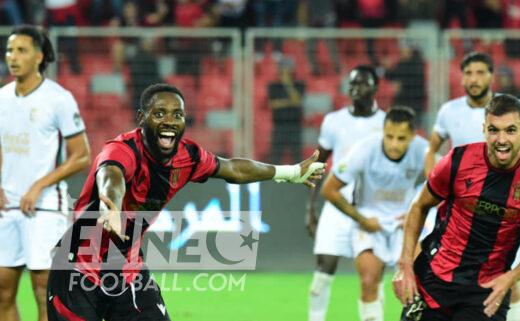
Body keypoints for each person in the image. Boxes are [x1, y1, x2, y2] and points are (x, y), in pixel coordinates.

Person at [46, 82, 325, 321]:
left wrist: (290, 173)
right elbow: (110, 177)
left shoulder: (188, 156)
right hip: (76, 270)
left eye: (177, 114)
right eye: (160, 114)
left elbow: (233, 169)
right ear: (142, 118)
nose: (169, 121)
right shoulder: (122, 150)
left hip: (127, 269)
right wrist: (112, 207)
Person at [395, 94, 520, 321]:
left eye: (510, 130)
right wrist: (405, 265)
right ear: (484, 130)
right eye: (494, 130)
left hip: (486, 292)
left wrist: (511, 278)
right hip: (434, 280)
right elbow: (419, 206)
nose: (501, 139)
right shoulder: (458, 160)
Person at [0, 25, 91, 321]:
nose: (13, 57)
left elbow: (82, 156)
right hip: (7, 205)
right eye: (10, 50)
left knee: (44, 292)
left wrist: (39, 185)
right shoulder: (2, 98)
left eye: (21, 50)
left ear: (39, 57)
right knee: (2, 290)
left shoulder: (58, 99)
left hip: (45, 207)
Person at [320, 106, 428, 321]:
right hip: (369, 222)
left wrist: (419, 211)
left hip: (405, 224)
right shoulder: (364, 150)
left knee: (419, 281)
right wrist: (362, 219)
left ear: (413, 136)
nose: (394, 144)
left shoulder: (424, 151)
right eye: (389, 136)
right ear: (382, 132)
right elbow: (329, 189)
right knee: (369, 280)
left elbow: (448, 187)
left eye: (401, 138)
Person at [306, 65, 386, 321]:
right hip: (337, 204)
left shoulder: (386, 123)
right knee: (322, 273)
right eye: (352, 84)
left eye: (362, 83)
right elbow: (318, 164)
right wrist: (310, 208)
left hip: (371, 206)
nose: (355, 89)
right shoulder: (333, 121)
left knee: (371, 277)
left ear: (375, 87)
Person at [269, 57, 305, 164]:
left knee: (297, 155)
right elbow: (273, 104)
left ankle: (299, 178)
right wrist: (290, 102)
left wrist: (287, 84)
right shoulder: (274, 86)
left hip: (295, 124)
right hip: (279, 125)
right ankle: (272, 178)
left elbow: (297, 100)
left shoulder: (299, 84)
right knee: (275, 155)